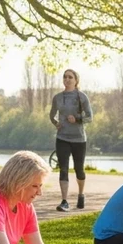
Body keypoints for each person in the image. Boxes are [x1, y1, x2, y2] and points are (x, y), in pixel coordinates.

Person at [48, 69, 92, 212]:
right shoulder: (58, 97)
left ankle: (81, 194)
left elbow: (90, 117)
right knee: (63, 169)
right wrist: (56, 123)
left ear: (76, 80)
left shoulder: (82, 97)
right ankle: (64, 201)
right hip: (62, 138)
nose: (67, 79)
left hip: (79, 139)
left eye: (70, 77)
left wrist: (77, 119)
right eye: (65, 77)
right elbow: (52, 114)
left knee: (79, 169)